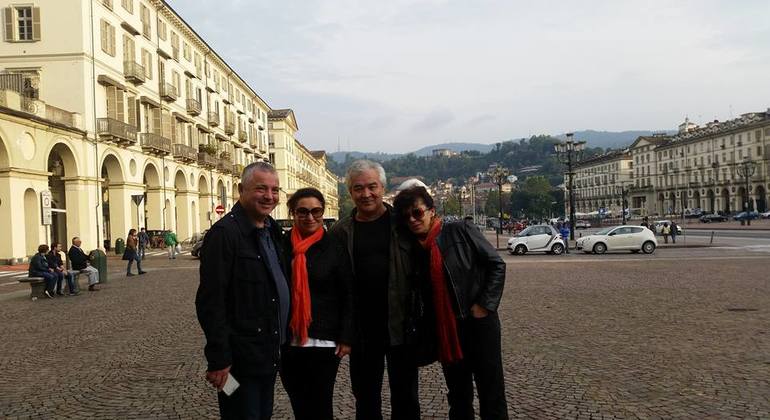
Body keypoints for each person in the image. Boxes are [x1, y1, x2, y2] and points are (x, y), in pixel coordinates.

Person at [394, 186, 509, 420]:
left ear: (431, 210)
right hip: (447, 329)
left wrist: (484, 306)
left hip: (478, 324)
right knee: (458, 394)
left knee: (491, 390)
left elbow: (496, 264)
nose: (412, 219)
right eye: (406, 216)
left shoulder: (460, 230)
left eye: (417, 212)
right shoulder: (414, 248)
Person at [195, 162, 289, 420]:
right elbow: (210, 302)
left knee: (261, 414)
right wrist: (219, 359)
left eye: (274, 190)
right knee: (240, 413)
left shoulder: (271, 230)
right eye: (261, 189)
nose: (269, 196)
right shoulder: (224, 234)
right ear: (241, 190)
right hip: (238, 361)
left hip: (267, 352)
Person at [329, 160, 420, 420]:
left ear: (383, 188)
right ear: (350, 192)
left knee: (406, 398)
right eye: (358, 188)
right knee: (366, 399)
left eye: (372, 186)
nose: (366, 194)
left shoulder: (404, 224)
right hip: (362, 330)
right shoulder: (340, 232)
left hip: (401, 325)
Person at [279, 187, 354, 420]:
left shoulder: (334, 246)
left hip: (324, 341)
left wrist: (346, 336)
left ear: (322, 212)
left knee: (320, 405)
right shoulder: (281, 245)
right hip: (289, 341)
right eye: (302, 211)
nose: (309, 217)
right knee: (299, 403)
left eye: (316, 211)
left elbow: (348, 293)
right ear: (293, 213)